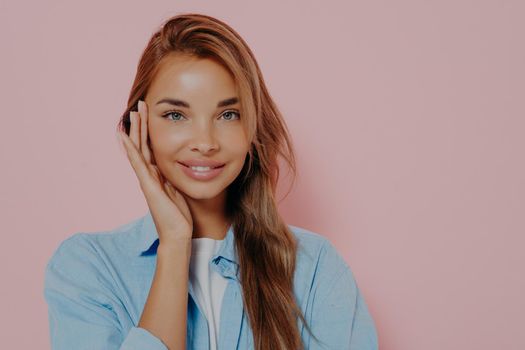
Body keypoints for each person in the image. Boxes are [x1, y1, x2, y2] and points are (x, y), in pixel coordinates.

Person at [43, 12, 378, 350]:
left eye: (228, 114)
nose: (205, 142)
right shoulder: (89, 268)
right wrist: (174, 244)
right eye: (176, 115)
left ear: (252, 129)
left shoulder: (315, 268)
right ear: (138, 127)